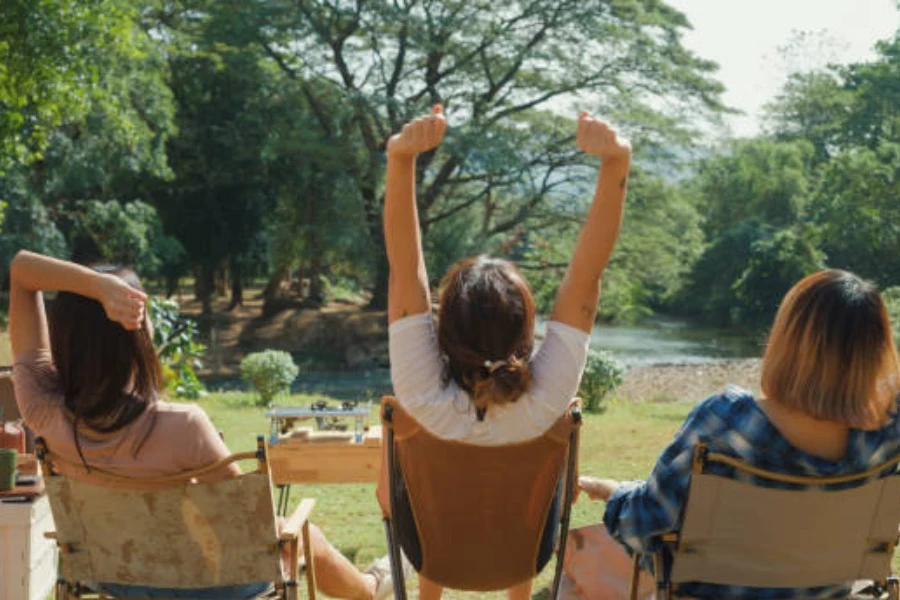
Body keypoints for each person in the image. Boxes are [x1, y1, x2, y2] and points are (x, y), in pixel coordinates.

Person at [9, 250, 395, 600]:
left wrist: (95, 289)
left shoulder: (42, 410)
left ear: (65, 338)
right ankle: (371, 589)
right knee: (300, 532)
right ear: (136, 332)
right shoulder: (184, 426)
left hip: (114, 579)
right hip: (211, 586)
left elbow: (22, 271)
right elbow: (251, 529)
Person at [384, 104, 632, 599]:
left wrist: (401, 159)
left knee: (437, 497)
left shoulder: (418, 392)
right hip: (523, 555)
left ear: (444, 324)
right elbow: (587, 276)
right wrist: (615, 163)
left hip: (431, 552)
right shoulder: (550, 399)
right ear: (525, 328)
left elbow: (405, 266)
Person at [580, 269, 900, 599]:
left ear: (787, 339)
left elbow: (646, 522)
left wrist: (616, 494)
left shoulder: (726, 419)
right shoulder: (888, 431)